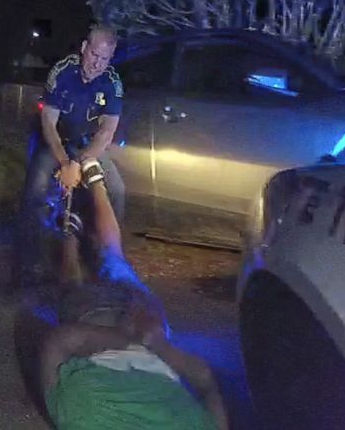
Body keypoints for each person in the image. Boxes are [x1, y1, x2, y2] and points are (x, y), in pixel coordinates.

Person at [39, 159, 228, 430]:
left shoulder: (84, 418)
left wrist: (138, 340)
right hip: (135, 331)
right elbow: (208, 382)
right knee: (90, 273)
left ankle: (84, 199)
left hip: (121, 329)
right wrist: (152, 343)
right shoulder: (84, 417)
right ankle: (71, 222)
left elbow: (57, 343)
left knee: (106, 264)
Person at [17, 24, 126, 285]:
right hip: (57, 142)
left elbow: (107, 131)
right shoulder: (62, 72)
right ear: (84, 48)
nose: (97, 64)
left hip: (88, 146)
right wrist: (65, 162)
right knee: (35, 190)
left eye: (105, 59)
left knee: (117, 190)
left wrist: (80, 162)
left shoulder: (112, 82)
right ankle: (27, 266)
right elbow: (48, 122)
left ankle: (103, 259)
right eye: (94, 55)